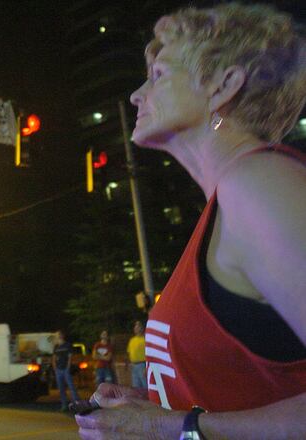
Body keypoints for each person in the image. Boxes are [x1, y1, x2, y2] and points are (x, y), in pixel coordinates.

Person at [76, 4, 306, 439]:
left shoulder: (259, 184)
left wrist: (170, 426)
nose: (137, 94)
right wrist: (161, 404)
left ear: (224, 86)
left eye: (159, 74)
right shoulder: (226, 203)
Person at [52, 330, 80, 411]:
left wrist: (68, 367)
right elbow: (54, 357)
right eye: (56, 335)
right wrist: (55, 367)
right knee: (61, 389)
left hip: (65, 369)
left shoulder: (67, 345)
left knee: (71, 387)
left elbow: (70, 357)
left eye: (58, 335)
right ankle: (64, 406)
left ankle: (77, 405)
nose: (57, 336)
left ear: (62, 336)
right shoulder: (56, 347)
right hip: (58, 370)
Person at [126, 320, 146, 390]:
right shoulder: (132, 340)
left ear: (142, 328)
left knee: (145, 386)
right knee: (136, 387)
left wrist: (146, 367)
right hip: (133, 366)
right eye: (135, 327)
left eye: (138, 327)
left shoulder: (145, 339)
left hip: (142, 365)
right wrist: (129, 364)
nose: (136, 328)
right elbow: (129, 353)